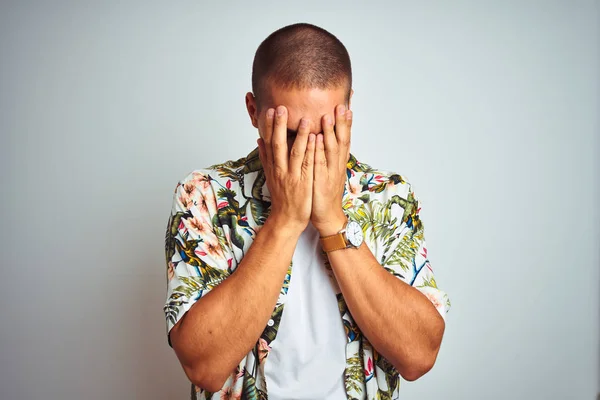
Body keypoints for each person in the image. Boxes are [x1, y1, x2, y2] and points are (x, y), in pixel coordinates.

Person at [164, 22, 450, 400]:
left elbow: (418, 356)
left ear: (347, 111)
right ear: (254, 110)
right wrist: (285, 220)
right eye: (293, 134)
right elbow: (204, 366)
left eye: (327, 132)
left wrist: (333, 221)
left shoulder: (387, 195)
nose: (310, 154)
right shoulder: (204, 193)